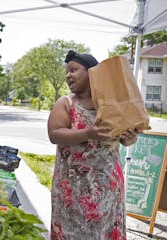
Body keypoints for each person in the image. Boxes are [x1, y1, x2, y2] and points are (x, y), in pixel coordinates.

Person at [47, 50, 139, 239]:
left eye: (73, 70)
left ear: (92, 73)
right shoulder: (66, 103)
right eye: (67, 72)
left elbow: (127, 139)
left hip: (108, 190)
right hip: (72, 191)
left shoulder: (112, 105)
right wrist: (88, 133)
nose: (68, 75)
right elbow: (55, 134)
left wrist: (130, 136)